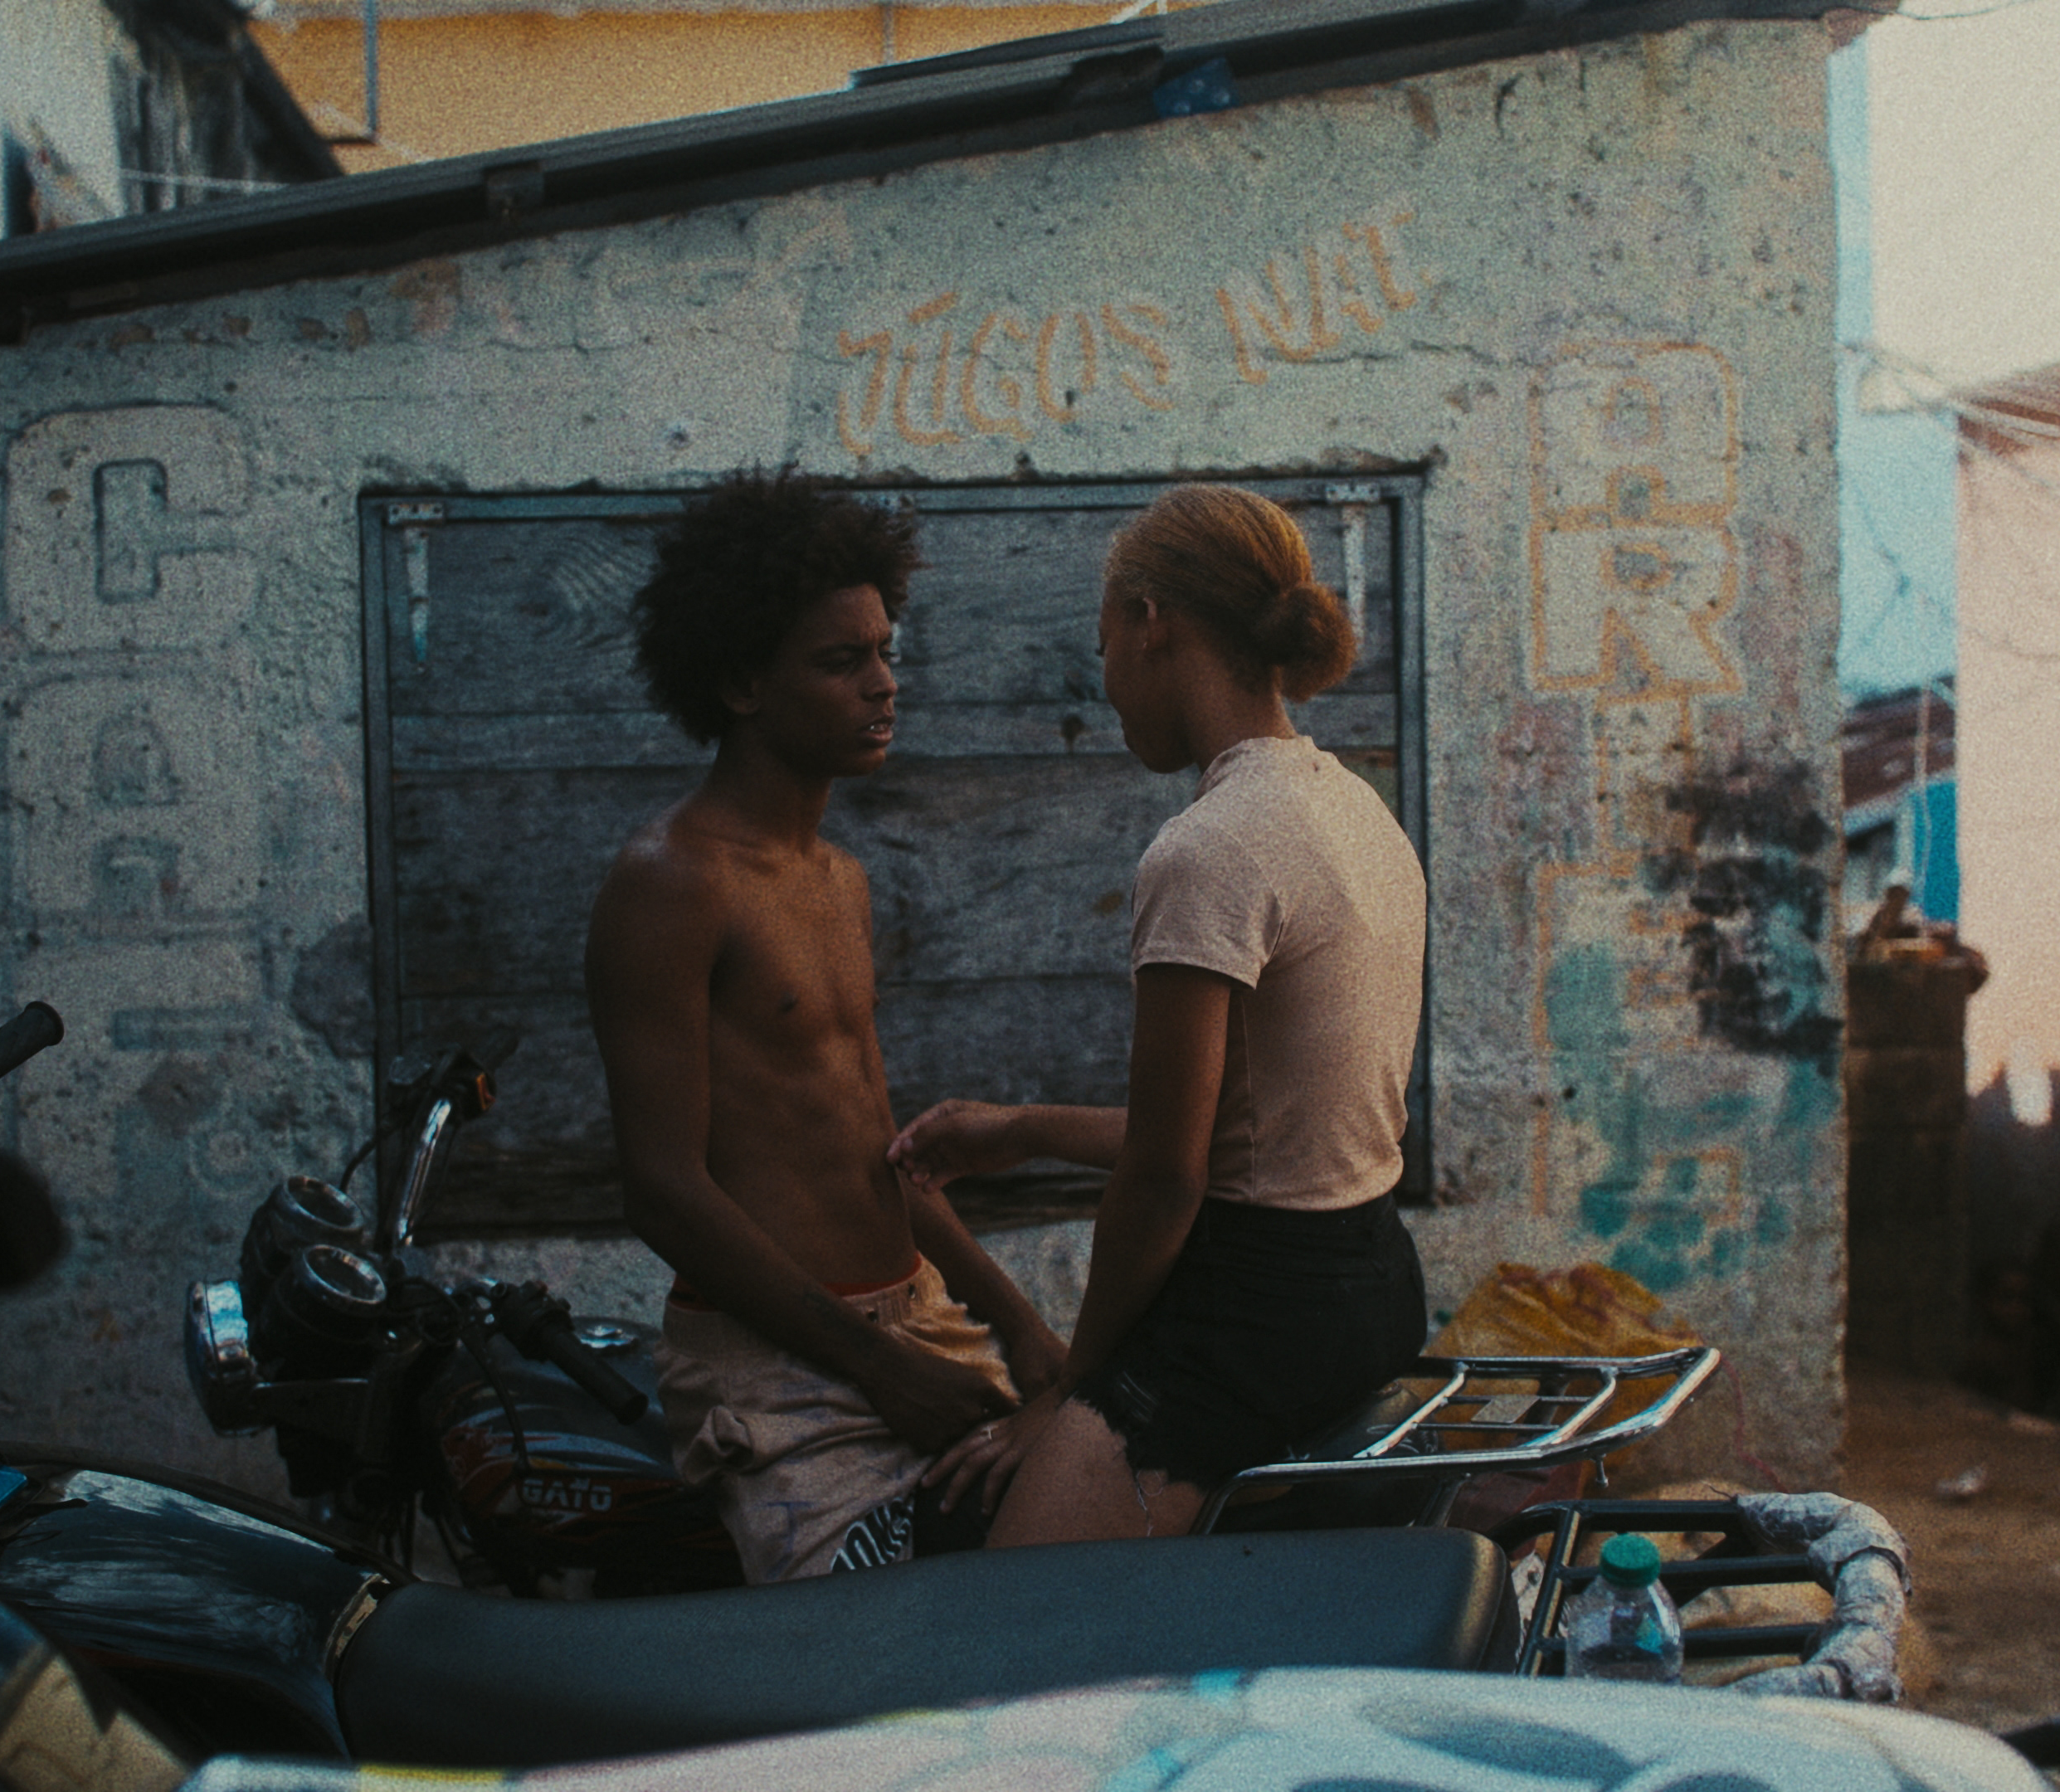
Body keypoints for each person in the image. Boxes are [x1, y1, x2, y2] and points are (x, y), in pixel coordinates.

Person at [889, 483, 1429, 1545]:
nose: (1105, 688)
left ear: (1149, 622)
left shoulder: (1208, 848)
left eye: (1103, 648)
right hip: (1369, 1279)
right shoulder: (1352, 807)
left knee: (1012, 1602)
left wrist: (1068, 1387)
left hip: (1255, 1315)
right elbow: (1257, 1137)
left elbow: (1169, 1177)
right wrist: (1023, 1131)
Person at [584, 470, 1066, 1581]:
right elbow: (663, 1189)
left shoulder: (839, 879)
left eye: (886, 652)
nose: (884, 685)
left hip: (918, 1325)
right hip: (780, 1370)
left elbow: (878, 1152)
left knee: (1068, 1567)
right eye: (842, 661)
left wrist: (1016, 1321)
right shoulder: (672, 882)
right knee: (890, 1644)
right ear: (742, 682)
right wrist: (878, 1369)